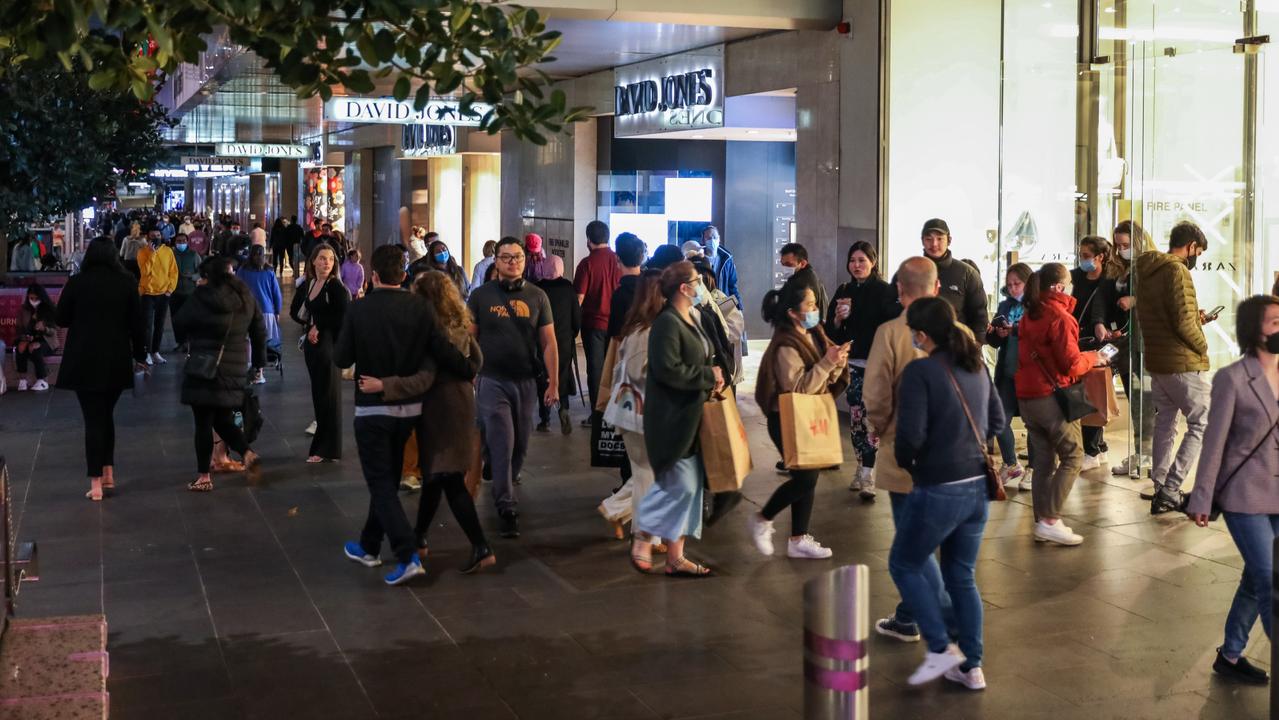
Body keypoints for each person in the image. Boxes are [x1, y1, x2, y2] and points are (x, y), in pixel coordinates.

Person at [334, 245, 477, 585]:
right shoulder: (420, 309)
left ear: (374, 275)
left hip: (373, 409)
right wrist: (468, 366)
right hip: (410, 410)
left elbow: (341, 358)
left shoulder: (359, 310)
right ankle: (369, 546)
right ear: (403, 275)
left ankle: (406, 552)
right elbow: (441, 349)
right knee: (386, 477)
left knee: (381, 484)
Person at [890, 296, 1004, 690]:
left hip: (937, 487)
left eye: (913, 334)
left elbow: (910, 437)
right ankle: (972, 666)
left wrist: (913, 464)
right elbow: (997, 421)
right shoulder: (975, 365)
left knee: (904, 564)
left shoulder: (921, 372)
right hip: (976, 487)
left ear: (922, 334)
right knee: (962, 576)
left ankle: (941, 649)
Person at [363, 270, 494, 574]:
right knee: (436, 475)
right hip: (461, 402)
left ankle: (481, 546)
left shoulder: (428, 331)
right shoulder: (459, 325)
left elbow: (423, 377)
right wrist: (465, 373)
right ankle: (419, 537)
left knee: (447, 478)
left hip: (438, 407)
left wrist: (385, 385)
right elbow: (478, 361)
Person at [1185, 295, 1279, 686]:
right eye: (1275, 321)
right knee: (1270, 581)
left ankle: (1231, 653)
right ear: (1254, 330)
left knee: (1255, 578)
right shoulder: (1232, 378)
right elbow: (1215, 443)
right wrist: (1201, 497)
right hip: (1245, 496)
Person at [864, 257, 951, 642]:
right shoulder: (957, 331)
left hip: (906, 453)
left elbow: (877, 394)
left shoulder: (889, 333)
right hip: (951, 455)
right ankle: (908, 614)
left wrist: (878, 428)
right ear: (936, 288)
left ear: (900, 289)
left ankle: (941, 618)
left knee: (912, 544)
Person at [629, 261, 722, 578]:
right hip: (671, 419)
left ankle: (675, 556)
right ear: (684, 288)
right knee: (679, 485)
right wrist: (708, 375)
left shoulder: (689, 317)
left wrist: (712, 376)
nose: (702, 286)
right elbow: (668, 369)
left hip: (690, 415)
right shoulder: (668, 322)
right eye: (698, 281)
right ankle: (642, 538)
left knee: (690, 487)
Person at [750, 282, 850, 560]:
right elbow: (797, 390)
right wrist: (828, 363)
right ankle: (763, 517)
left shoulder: (814, 334)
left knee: (808, 475)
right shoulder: (785, 345)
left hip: (805, 415)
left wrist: (836, 362)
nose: (815, 310)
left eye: (816, 305)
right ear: (793, 313)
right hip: (785, 418)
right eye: (810, 305)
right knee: (805, 477)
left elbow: (821, 382)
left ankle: (798, 538)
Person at [468, 236, 559, 538]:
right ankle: (505, 503)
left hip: (525, 380)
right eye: (506, 257)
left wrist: (554, 382)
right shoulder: (481, 296)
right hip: (492, 378)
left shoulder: (538, 297)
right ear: (496, 261)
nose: (512, 262)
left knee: (520, 442)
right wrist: (468, 371)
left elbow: (548, 343)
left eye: (517, 257)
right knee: (502, 439)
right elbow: (470, 337)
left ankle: (503, 472)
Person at [1015, 263, 1101, 545]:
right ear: (1060, 287)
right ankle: (1050, 519)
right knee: (1074, 456)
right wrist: (1094, 358)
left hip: (1028, 397)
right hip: (1051, 398)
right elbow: (1071, 364)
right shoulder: (1061, 317)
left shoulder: (1031, 313)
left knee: (1043, 460)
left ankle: (1042, 520)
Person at [55, 239, 148, 499]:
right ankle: (108, 473)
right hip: (116, 359)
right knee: (105, 415)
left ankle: (96, 483)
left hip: (83, 360)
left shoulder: (77, 282)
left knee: (93, 419)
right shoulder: (126, 282)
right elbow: (138, 324)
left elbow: (61, 318)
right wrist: (140, 356)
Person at [1135, 221, 1211, 515]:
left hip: (1159, 360)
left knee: (1166, 422)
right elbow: (1181, 322)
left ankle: (1161, 483)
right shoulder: (1177, 270)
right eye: (1198, 252)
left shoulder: (1149, 270)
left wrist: (1195, 319)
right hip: (1181, 361)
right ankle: (1171, 489)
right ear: (1190, 246)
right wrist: (1202, 344)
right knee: (1202, 422)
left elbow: (1165, 316)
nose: (1197, 258)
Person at [173, 256, 266, 493]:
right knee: (222, 419)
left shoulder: (201, 296)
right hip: (234, 369)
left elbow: (179, 323)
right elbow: (259, 331)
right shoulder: (245, 297)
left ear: (208, 276)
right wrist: (258, 365)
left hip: (204, 368)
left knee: (204, 422)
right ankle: (247, 453)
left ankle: (204, 476)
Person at [825, 241, 900, 499]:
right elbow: (830, 330)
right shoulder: (844, 290)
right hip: (852, 364)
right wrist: (837, 318)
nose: (857, 265)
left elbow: (893, 326)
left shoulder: (884, 291)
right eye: (853, 260)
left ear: (873, 261)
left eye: (862, 260)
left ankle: (868, 472)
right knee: (856, 419)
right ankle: (861, 466)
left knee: (870, 420)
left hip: (878, 365)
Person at [598, 270, 663, 539]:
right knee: (648, 474)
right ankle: (646, 537)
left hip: (631, 411)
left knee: (646, 473)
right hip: (640, 413)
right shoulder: (647, 332)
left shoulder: (636, 328)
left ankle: (619, 513)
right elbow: (638, 372)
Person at [290, 243, 350, 463]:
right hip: (313, 345)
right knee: (319, 394)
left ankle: (327, 448)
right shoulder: (312, 283)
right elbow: (297, 311)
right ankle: (323, 445)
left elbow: (343, 315)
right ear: (313, 260)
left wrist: (320, 326)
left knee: (329, 395)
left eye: (331, 259)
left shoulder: (335, 286)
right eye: (323, 258)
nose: (327, 263)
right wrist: (310, 325)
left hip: (328, 345)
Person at [1109, 220, 1156, 478]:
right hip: (1128, 345)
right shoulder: (1124, 269)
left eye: (1126, 245)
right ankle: (1142, 455)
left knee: (1146, 404)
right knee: (1137, 401)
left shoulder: (1151, 266)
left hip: (1145, 345)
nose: (1121, 250)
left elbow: (1162, 298)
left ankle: (1146, 457)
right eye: (1118, 245)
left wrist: (1135, 300)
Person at [1071, 236, 1122, 471]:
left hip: (1102, 341)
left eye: (1085, 255)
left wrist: (1109, 329)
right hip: (1079, 340)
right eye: (1080, 254)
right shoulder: (1075, 277)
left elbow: (1108, 310)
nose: (1082, 260)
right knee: (1091, 392)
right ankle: (1098, 446)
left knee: (1093, 393)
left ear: (1100, 256)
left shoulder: (1111, 280)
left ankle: (1091, 450)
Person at [987, 263, 1032, 489]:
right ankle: (1011, 462)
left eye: (1018, 284)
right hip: (1006, 371)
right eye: (1010, 284)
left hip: (1030, 373)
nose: (1013, 288)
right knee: (998, 419)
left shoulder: (1036, 305)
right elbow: (994, 342)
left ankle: (1034, 468)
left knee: (1033, 422)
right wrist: (996, 332)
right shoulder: (1005, 305)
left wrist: (1015, 329)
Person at [574, 220, 622, 416]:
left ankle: (598, 413)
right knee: (615, 368)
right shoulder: (619, 260)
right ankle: (614, 411)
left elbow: (578, 298)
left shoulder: (587, 264)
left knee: (595, 370)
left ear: (588, 240)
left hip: (593, 325)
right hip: (617, 324)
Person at [918, 218, 987, 339]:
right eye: (929, 239)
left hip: (955, 347)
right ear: (922, 241)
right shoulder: (911, 270)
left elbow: (979, 315)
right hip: (917, 345)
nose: (934, 244)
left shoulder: (967, 273)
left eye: (940, 239)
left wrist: (975, 345)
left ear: (949, 240)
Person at [533, 254, 580, 434]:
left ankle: (544, 419)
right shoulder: (568, 288)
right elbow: (576, 316)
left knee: (544, 376)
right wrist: (573, 334)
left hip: (542, 341)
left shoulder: (537, 289)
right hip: (563, 340)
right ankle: (564, 410)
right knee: (562, 374)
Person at [237, 245, 284, 384]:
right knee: (262, 343)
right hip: (266, 311)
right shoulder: (269, 271)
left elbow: (237, 289)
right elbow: (276, 294)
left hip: (247, 310)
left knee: (248, 341)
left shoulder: (242, 270)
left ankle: (249, 366)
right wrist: (277, 311)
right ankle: (260, 373)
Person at [136, 231, 178, 365]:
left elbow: (173, 272)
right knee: (147, 325)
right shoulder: (142, 252)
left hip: (164, 294)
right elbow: (144, 272)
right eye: (153, 236)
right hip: (148, 293)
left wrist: (170, 289)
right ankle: (146, 352)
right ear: (148, 238)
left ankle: (155, 352)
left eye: (159, 235)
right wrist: (152, 254)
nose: (156, 238)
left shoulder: (168, 251)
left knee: (159, 325)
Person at [13, 284, 59, 392]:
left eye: (36, 298)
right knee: (20, 348)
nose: (33, 300)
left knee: (36, 349)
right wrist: (24, 338)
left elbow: (53, 330)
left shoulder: (49, 309)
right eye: (31, 298)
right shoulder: (24, 309)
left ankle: (42, 380)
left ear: (41, 297)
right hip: (29, 339)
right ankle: (23, 380)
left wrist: (44, 328)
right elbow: (18, 329)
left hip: (47, 341)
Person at [607, 233, 647, 341]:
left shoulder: (620, 295)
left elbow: (615, 335)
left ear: (617, 258)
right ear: (642, 257)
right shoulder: (652, 287)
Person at [170, 233, 202, 353]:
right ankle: (180, 342)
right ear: (175, 242)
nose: (181, 243)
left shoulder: (194, 255)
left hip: (190, 292)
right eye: (179, 241)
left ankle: (189, 342)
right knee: (176, 319)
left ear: (187, 242)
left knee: (190, 318)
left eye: (183, 241)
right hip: (174, 291)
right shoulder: (171, 254)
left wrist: (192, 276)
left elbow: (200, 271)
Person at [779, 242, 828, 318]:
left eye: (789, 265)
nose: (784, 269)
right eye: (783, 264)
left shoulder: (803, 283)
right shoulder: (810, 275)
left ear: (803, 264)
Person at [702, 225, 740, 309]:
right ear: (703, 240)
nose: (712, 240)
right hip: (704, 306)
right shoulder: (699, 260)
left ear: (719, 239)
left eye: (714, 237)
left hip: (723, 304)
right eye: (708, 238)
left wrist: (739, 306)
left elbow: (732, 285)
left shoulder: (727, 260)